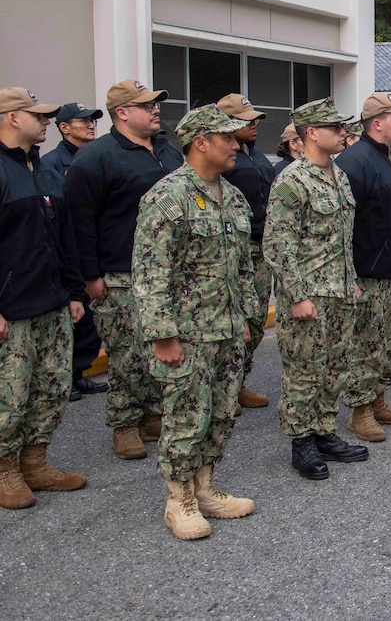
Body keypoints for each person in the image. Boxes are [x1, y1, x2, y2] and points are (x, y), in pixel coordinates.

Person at [133, 104, 259, 540]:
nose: (236, 145)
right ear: (201, 142)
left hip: (226, 329)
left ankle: (204, 488)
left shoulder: (233, 195)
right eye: (227, 138)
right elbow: (151, 271)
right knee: (186, 416)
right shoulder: (168, 197)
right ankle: (178, 500)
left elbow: (242, 266)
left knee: (222, 412)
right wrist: (162, 335)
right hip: (186, 334)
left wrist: (244, 316)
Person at [66, 80, 183, 459]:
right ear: (122, 113)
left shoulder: (166, 150)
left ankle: (152, 415)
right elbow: (80, 222)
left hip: (165, 270)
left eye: (155, 103)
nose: (155, 110)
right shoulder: (96, 158)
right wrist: (90, 276)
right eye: (146, 105)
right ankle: (125, 424)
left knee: (159, 349)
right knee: (127, 354)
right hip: (119, 273)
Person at [263, 97, 366, 479]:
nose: (344, 133)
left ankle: (324, 430)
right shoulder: (293, 180)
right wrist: (297, 295)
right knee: (304, 370)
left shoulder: (337, 174)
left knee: (336, 366)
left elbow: (342, 237)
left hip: (338, 290)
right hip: (310, 294)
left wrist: (351, 281)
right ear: (311, 133)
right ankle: (301, 441)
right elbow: (278, 243)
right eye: (336, 128)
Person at [0, 88, 87, 510]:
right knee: (9, 396)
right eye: (38, 115)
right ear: (13, 118)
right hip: (12, 309)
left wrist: (73, 292)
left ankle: (35, 463)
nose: (47, 120)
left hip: (52, 302)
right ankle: (5, 471)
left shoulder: (47, 170)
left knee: (52, 388)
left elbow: (64, 237)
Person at [338, 93, 391, 443]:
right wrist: (349, 274)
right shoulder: (354, 162)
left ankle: (379, 400)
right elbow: (342, 225)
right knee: (367, 347)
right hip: (372, 273)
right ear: (377, 123)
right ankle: (360, 412)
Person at [41, 102, 110, 401]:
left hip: (92, 246)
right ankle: (64, 376)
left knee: (88, 318)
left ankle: (79, 373)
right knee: (72, 316)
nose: (90, 125)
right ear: (64, 127)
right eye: (82, 121)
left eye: (92, 120)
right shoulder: (53, 163)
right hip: (67, 250)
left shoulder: (95, 157)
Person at [216, 93, 276, 412]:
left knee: (253, 321)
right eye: (245, 120)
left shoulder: (254, 155)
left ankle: (239, 383)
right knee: (232, 322)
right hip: (234, 248)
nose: (253, 124)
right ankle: (223, 388)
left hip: (260, 246)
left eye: (254, 119)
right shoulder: (222, 159)